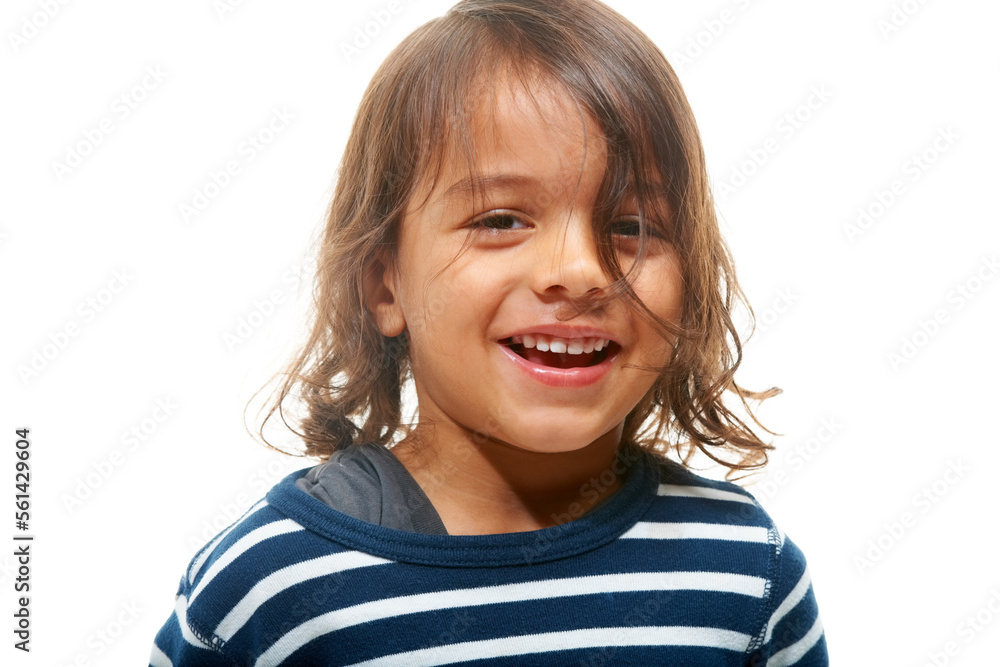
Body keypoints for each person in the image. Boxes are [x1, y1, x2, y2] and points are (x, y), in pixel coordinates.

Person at [150, 0, 828, 664]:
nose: (581, 271)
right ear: (385, 286)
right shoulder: (269, 589)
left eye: (631, 228)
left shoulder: (749, 577)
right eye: (501, 219)